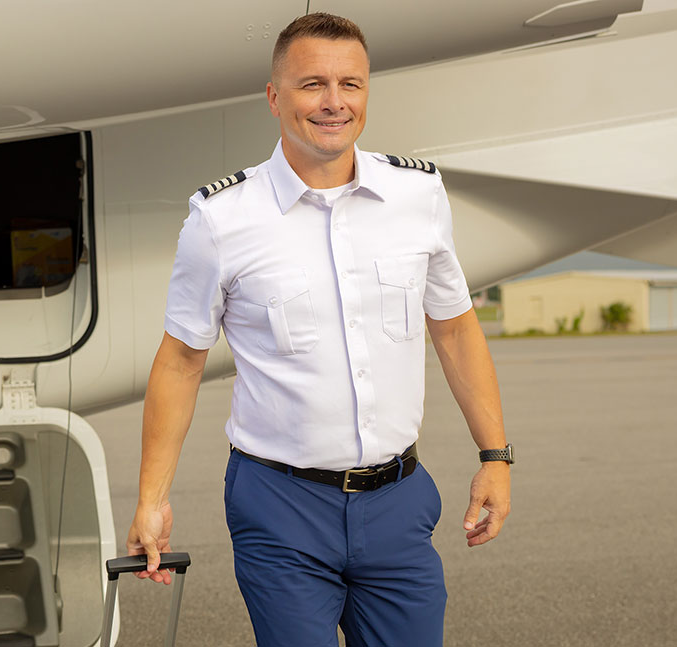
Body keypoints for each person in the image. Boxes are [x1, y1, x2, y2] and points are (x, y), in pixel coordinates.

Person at [126, 12, 512, 647]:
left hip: (399, 501)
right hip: (280, 506)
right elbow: (180, 361)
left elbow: (455, 327)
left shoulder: (419, 196)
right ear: (274, 97)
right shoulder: (222, 219)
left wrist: (495, 457)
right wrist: (152, 499)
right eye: (312, 85)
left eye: (351, 84)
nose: (334, 103)